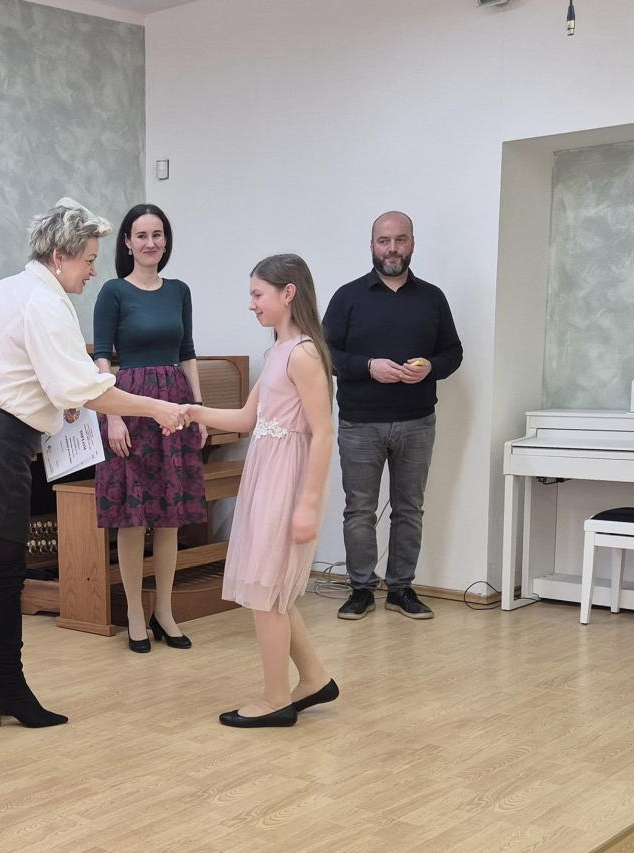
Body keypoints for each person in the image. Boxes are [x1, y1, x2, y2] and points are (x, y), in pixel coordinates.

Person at [0, 198, 188, 728]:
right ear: (59, 256)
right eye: (89, 260)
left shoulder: (7, 288)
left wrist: (64, 399)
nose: (93, 271)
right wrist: (156, 407)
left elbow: (29, 373)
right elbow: (84, 388)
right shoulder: (45, 303)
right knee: (4, 575)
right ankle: (10, 689)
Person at [188, 254, 338, 728]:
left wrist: (307, 505)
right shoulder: (277, 352)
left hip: (287, 480)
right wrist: (192, 412)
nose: (251, 304)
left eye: (258, 294)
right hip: (266, 474)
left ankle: (276, 700)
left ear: (287, 293)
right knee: (271, 588)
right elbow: (246, 419)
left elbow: (323, 433)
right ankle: (313, 679)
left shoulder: (304, 354)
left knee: (265, 592)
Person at [322, 211, 463, 621]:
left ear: (412, 244)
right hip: (359, 423)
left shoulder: (432, 298)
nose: (392, 249)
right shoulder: (348, 297)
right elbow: (325, 354)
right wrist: (369, 367)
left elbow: (453, 352)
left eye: (400, 240)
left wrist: (431, 367)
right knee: (359, 510)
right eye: (384, 241)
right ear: (372, 246)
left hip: (417, 422)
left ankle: (401, 589)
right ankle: (361, 589)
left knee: (409, 509)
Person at [92, 204, 207, 653]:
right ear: (127, 242)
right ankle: (135, 615)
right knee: (132, 517)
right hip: (130, 403)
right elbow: (102, 356)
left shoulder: (179, 291)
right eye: (141, 235)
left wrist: (197, 410)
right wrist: (112, 415)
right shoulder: (113, 292)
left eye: (157, 234)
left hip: (174, 403)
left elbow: (187, 351)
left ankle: (164, 611)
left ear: (165, 240)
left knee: (169, 517)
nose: (150, 242)